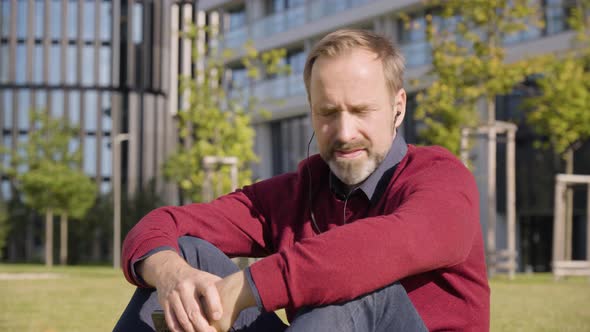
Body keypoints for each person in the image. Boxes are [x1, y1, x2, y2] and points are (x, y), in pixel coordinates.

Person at [115, 29, 490, 332]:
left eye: (361, 111)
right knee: (182, 271)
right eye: (327, 113)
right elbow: (159, 225)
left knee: (355, 290)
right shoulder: (295, 193)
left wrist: (247, 287)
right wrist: (171, 274)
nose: (344, 132)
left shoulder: (441, 177)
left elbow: (383, 246)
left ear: (398, 106)